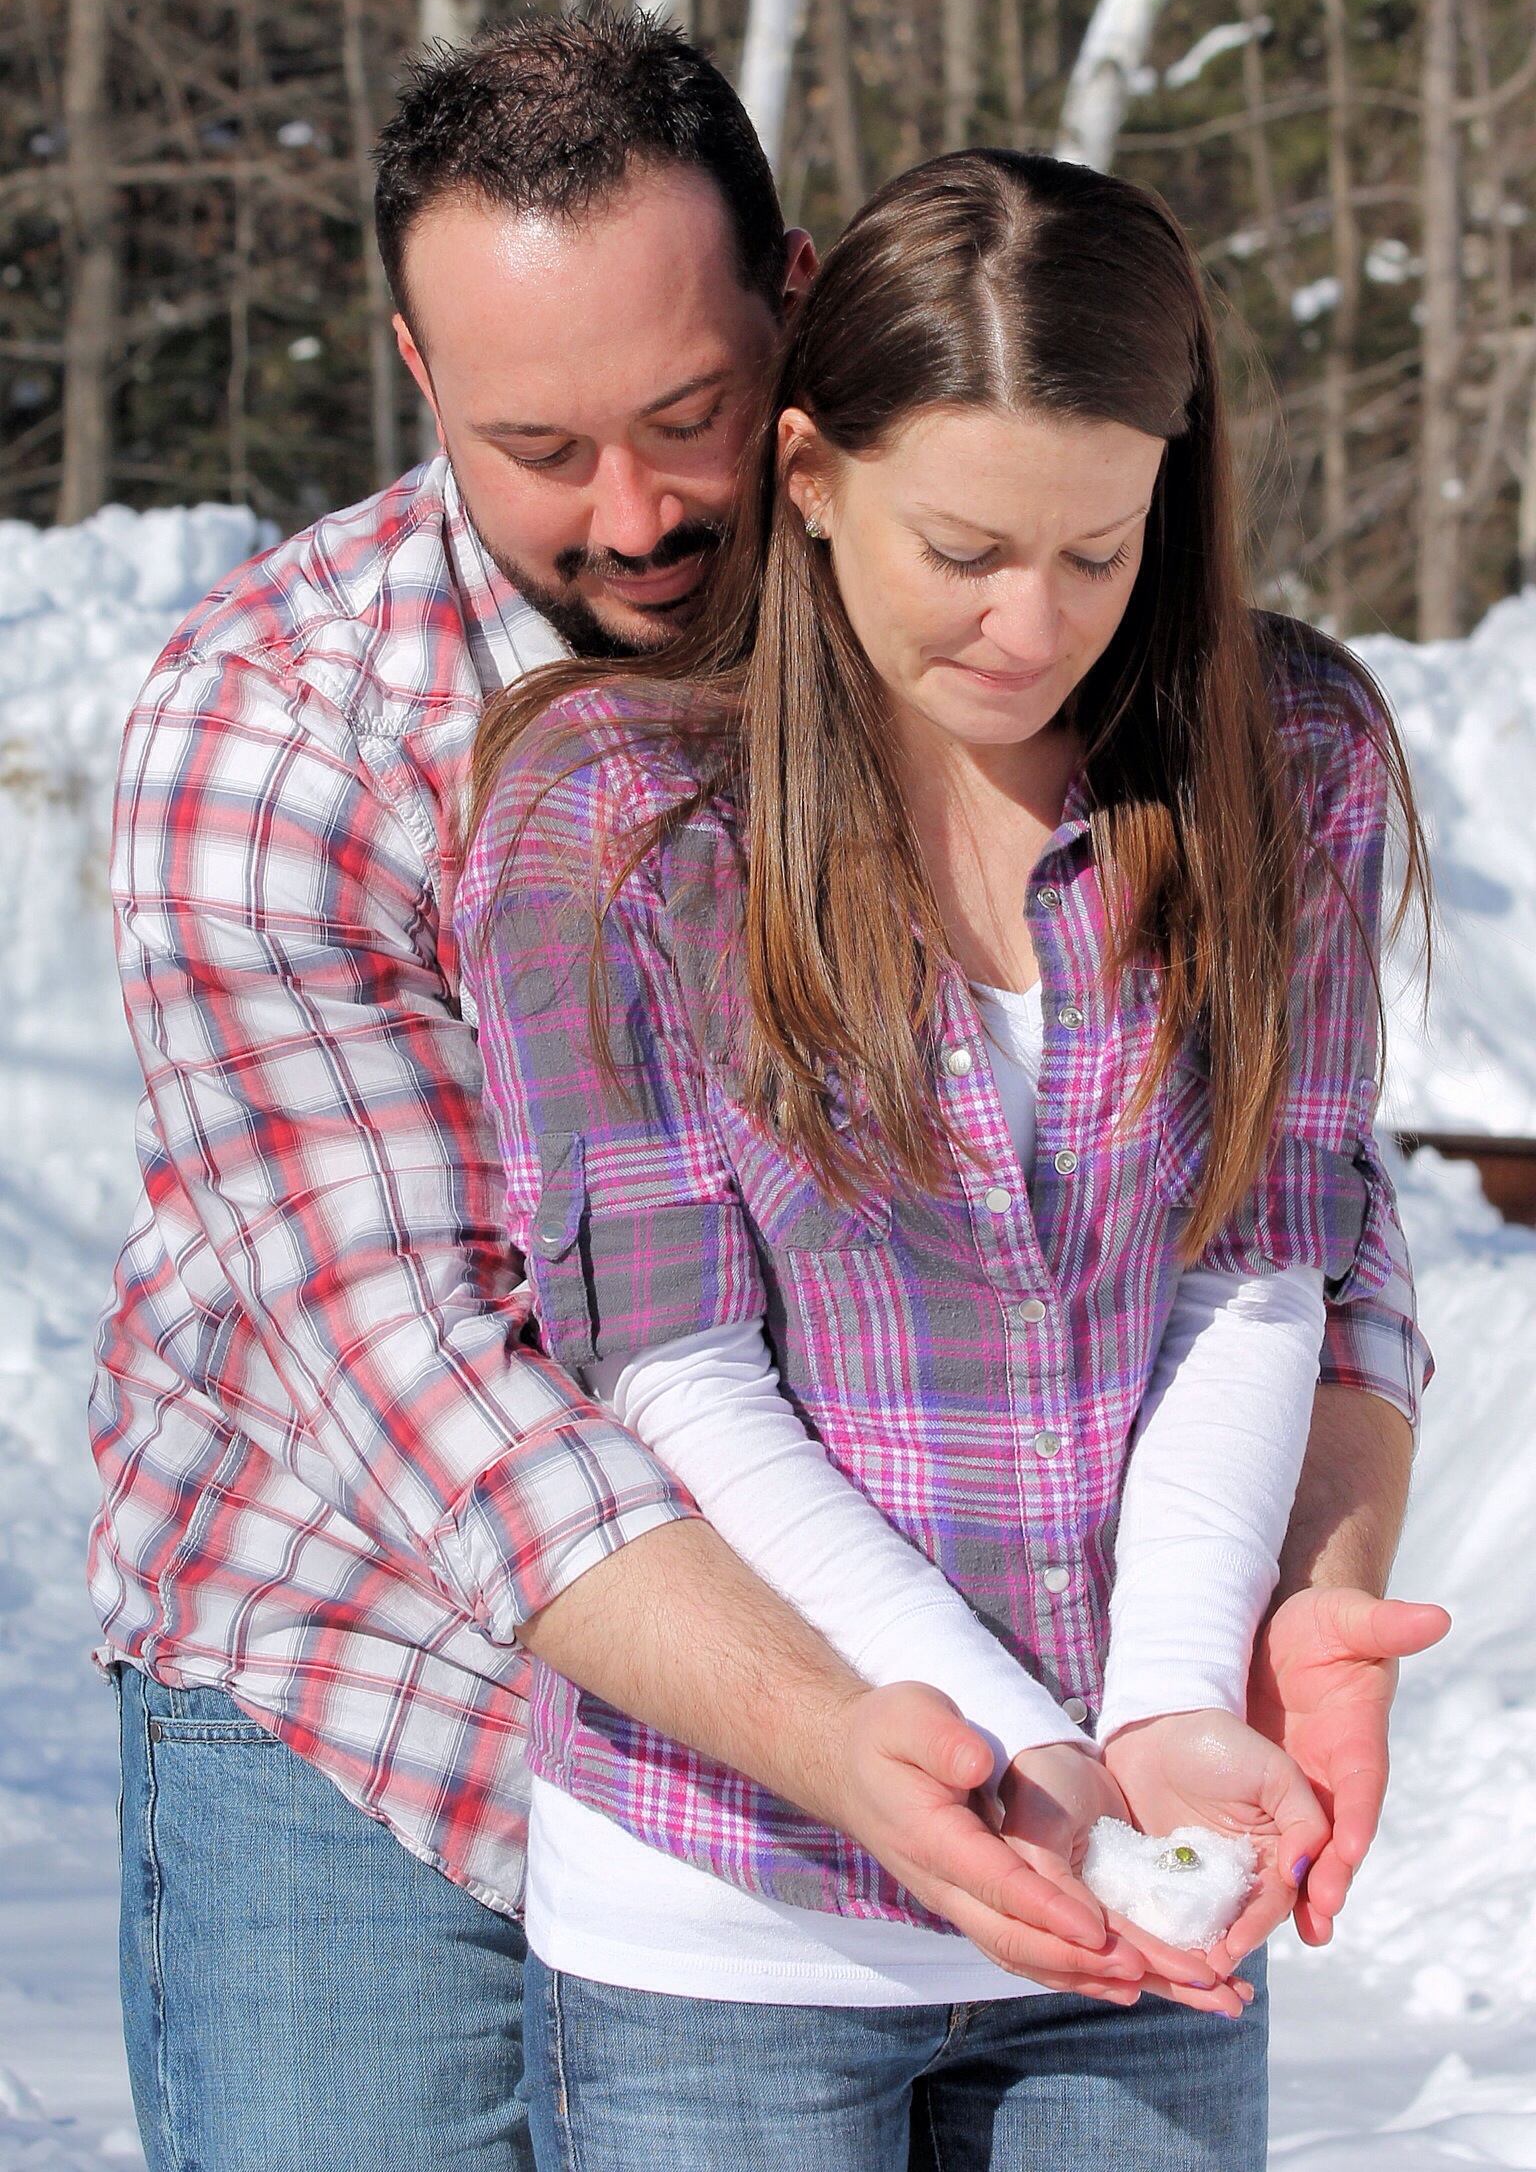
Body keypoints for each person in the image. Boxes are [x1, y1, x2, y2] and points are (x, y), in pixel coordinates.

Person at [91, 8, 1441, 2172]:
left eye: (686, 417)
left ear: (796, 328)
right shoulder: (284, 732)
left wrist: (1265, 1616)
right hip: (381, 1676)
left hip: (989, 1731)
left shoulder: (980, 628)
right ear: (419, 373)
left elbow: (1286, 1231)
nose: (634, 516)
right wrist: (887, 1731)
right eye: (537, 445)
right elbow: (459, 1382)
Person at [458, 144, 1442, 2170]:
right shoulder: (620, 817)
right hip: (737, 1915)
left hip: (1137, 1885)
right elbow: (675, 1364)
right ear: (812, 473)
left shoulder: (1285, 755)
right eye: (968, 548)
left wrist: (1163, 1709)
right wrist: (1015, 1745)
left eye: (1100, 549)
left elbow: (1259, 1267)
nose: (1033, 622)